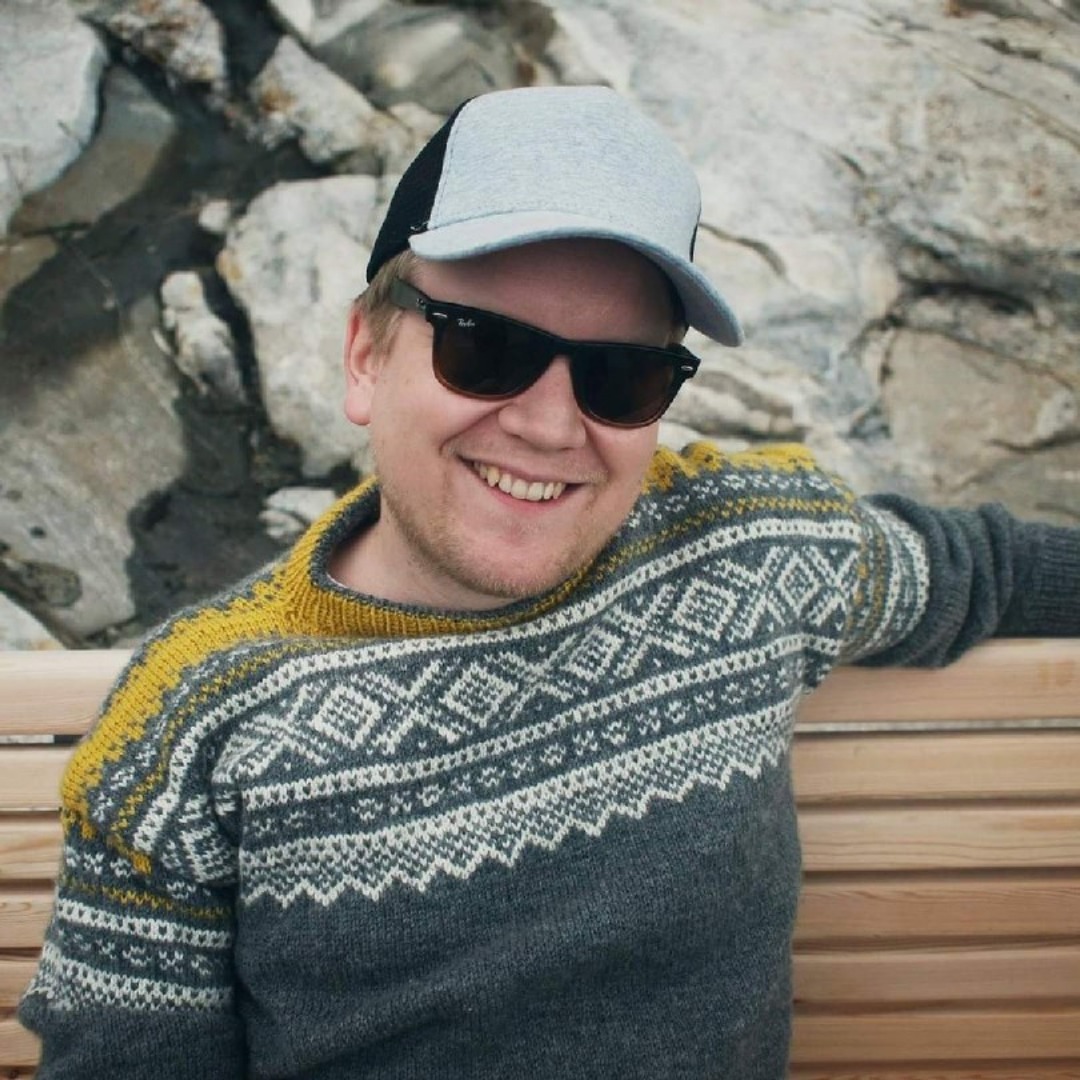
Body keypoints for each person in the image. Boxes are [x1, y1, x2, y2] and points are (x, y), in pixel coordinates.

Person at [19, 85, 1080, 1079]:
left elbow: (991, 569)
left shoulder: (755, 550)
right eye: (484, 348)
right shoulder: (189, 722)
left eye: (623, 374)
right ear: (364, 356)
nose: (548, 424)